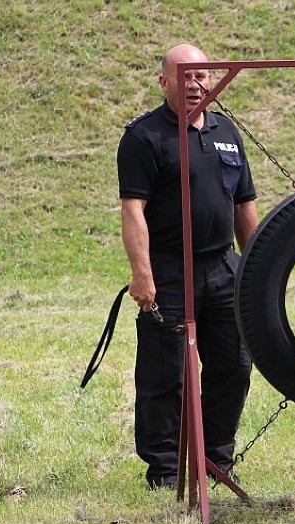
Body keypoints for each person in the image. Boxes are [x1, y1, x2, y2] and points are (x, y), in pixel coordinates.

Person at [116, 44, 259, 489]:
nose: (196, 84)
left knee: (234, 365)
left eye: (202, 75)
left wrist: (256, 270)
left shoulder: (226, 132)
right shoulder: (144, 137)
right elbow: (132, 210)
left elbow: (244, 206)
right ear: (164, 82)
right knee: (166, 373)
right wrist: (143, 275)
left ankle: (216, 459)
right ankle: (164, 468)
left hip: (222, 268)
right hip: (169, 270)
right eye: (185, 76)